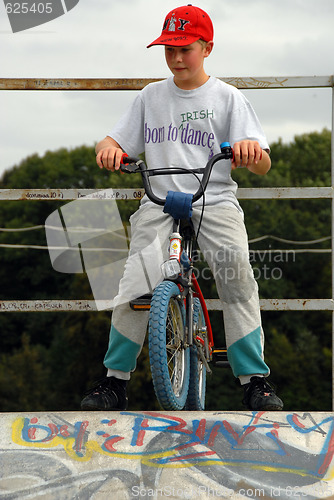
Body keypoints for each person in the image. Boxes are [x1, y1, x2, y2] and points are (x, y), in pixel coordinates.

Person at [81, 4, 283, 412]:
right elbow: (110, 141)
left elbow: (263, 162)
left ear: (207, 48)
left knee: (236, 275)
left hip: (215, 199)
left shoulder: (228, 98)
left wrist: (250, 151)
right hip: (159, 199)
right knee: (135, 282)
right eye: (168, 49)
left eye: (185, 48)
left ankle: (254, 379)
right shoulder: (150, 97)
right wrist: (108, 152)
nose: (176, 58)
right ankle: (114, 381)